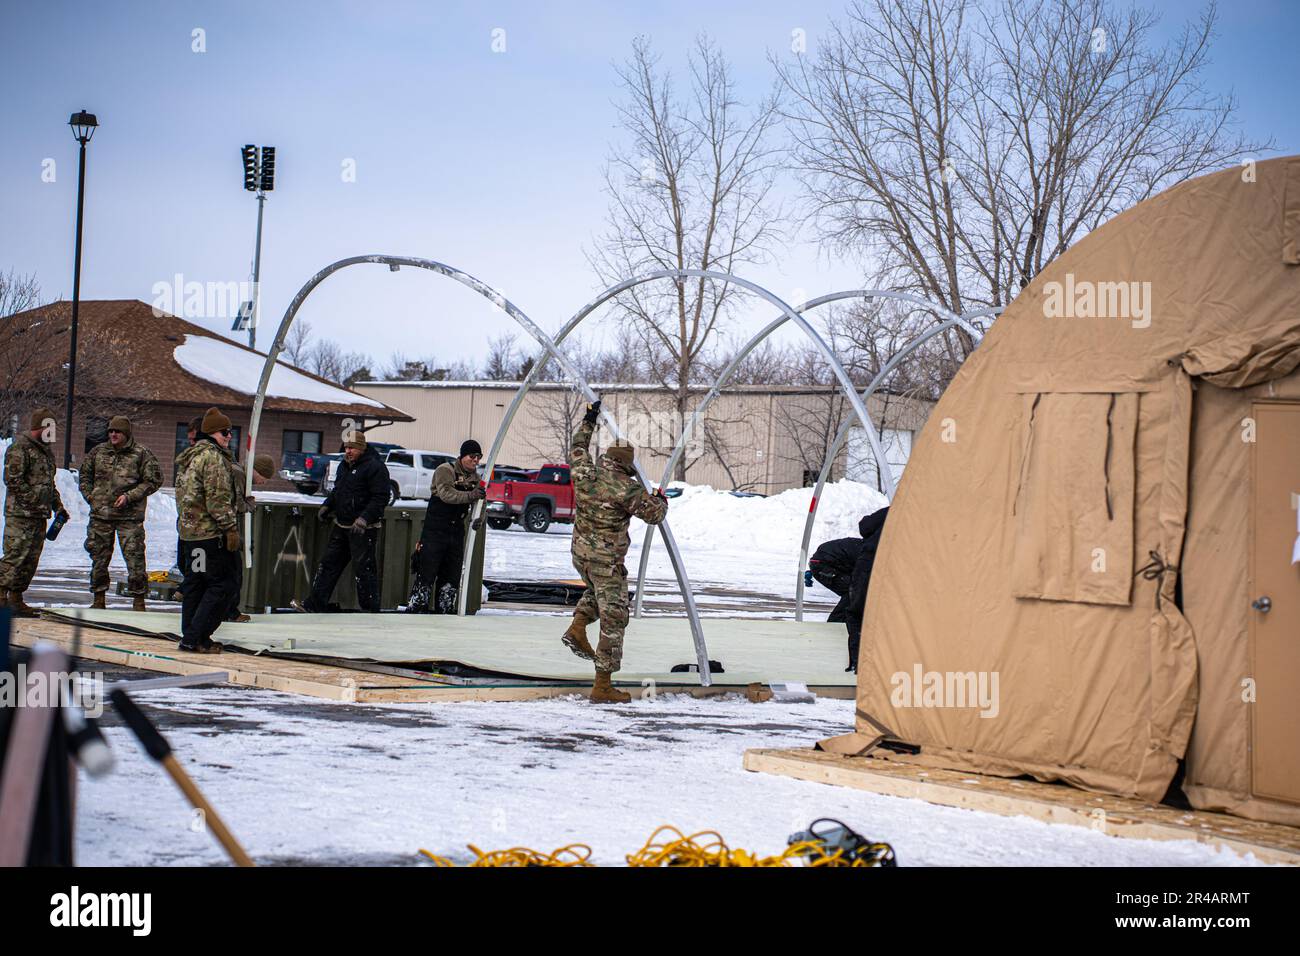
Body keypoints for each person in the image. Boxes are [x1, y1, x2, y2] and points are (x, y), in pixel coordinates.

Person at [562, 398, 667, 703]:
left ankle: (578, 627)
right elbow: (655, 515)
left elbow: (577, 444)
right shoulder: (627, 488)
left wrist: (589, 419)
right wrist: (661, 499)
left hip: (581, 556)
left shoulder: (584, 472)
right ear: (626, 465)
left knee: (598, 594)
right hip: (606, 562)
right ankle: (603, 685)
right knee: (615, 617)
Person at [299, 429, 389, 612]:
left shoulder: (375, 467)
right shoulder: (343, 466)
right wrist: (327, 506)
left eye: (352, 448)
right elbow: (338, 491)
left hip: (364, 528)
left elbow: (381, 497)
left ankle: (370, 609)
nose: (348, 451)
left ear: (362, 448)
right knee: (328, 565)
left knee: (364, 570)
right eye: (346, 447)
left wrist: (364, 518)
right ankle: (315, 603)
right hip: (342, 525)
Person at [174, 407, 241, 653]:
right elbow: (217, 498)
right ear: (214, 433)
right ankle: (197, 635)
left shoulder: (190, 456)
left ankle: (191, 636)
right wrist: (230, 528)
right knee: (222, 585)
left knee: (195, 584)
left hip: (190, 534)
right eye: (226, 432)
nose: (229, 437)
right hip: (210, 535)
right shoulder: (213, 458)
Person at [79, 416, 162, 611]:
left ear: (126, 434)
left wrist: (130, 496)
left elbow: (153, 480)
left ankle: (138, 601)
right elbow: (85, 476)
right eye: (110, 431)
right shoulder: (98, 452)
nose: (113, 434)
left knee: (135, 560)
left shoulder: (141, 454)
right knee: (98, 559)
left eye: (118, 431)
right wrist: (91, 496)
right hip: (101, 516)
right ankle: (98, 600)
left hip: (129, 518)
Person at [0, 407, 68, 617]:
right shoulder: (20, 448)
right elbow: (13, 480)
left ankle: (16, 598)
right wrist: (34, 501)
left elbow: (48, 484)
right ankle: (1, 596)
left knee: (30, 559)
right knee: (15, 556)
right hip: (21, 515)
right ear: (41, 427)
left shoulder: (45, 452)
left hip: (39, 516)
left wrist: (57, 506)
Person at [408, 439, 485, 613]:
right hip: (435, 532)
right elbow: (447, 495)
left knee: (451, 577)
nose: (475, 460)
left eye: (478, 457)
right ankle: (417, 610)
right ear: (462, 456)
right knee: (426, 574)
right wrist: (471, 495)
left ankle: (445, 611)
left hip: (456, 532)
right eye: (472, 456)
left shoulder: (476, 478)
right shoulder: (445, 470)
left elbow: (480, 502)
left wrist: (479, 515)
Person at [224, 452, 276, 623]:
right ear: (256, 470)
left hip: (221, 527)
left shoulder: (236, 471)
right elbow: (237, 504)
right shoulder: (238, 474)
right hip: (225, 528)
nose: (264, 482)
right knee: (233, 572)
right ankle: (230, 611)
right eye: (264, 476)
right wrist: (250, 505)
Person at [844, 506, 889, 673]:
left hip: (868, 566)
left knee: (856, 613)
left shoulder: (892, 511)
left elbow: (865, 527)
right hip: (894, 571)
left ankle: (857, 662)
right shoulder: (923, 519)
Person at [169, 414, 203, 583]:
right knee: (185, 567)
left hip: (201, 531)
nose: (190, 443)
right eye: (189, 439)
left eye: (194, 439)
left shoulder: (209, 461)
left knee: (197, 575)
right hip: (185, 525)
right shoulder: (187, 460)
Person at [807, 535, 863, 624]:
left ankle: (842, 621)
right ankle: (835, 623)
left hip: (822, 562)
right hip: (823, 565)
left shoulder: (865, 546)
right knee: (853, 592)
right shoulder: (869, 552)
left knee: (855, 592)